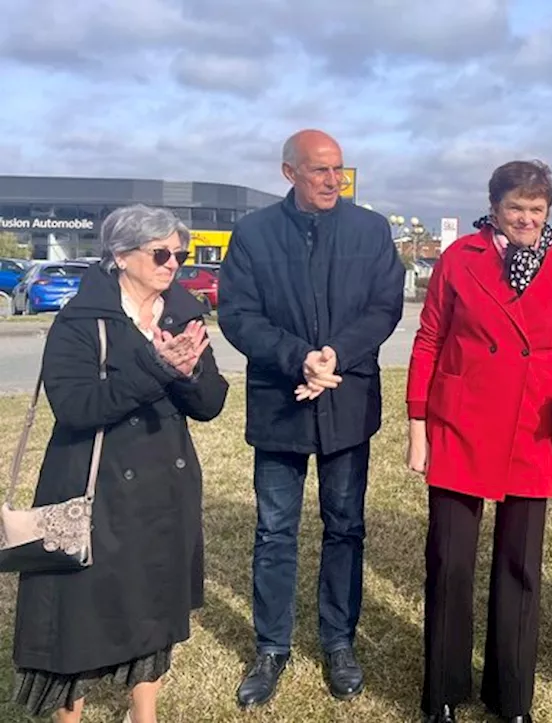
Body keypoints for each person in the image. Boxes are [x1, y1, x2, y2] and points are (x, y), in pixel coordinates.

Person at [9, 205, 228, 723]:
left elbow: (211, 403)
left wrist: (192, 371)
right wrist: (156, 368)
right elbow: (78, 408)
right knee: (76, 619)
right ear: (122, 255)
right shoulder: (81, 320)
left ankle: (143, 714)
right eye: (160, 253)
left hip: (164, 490)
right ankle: (71, 715)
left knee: (152, 604)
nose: (173, 263)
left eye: (180, 253)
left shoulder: (183, 313)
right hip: (94, 489)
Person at [218, 129, 405, 708]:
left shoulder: (370, 230)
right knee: (275, 530)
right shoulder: (252, 234)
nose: (332, 181)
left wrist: (334, 356)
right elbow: (238, 314)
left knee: (345, 526)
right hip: (281, 401)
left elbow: (385, 306)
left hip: (346, 401)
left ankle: (338, 641)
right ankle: (272, 646)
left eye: (339, 170)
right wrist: (296, 357)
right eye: (320, 170)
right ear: (289, 172)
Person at [406, 160, 552, 723]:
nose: (527, 219)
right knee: (449, 563)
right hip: (459, 425)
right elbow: (428, 339)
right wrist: (418, 427)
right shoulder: (459, 259)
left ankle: (511, 698)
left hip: (530, 430)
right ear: (494, 208)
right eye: (517, 208)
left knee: (520, 569)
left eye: (537, 210)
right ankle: (442, 692)